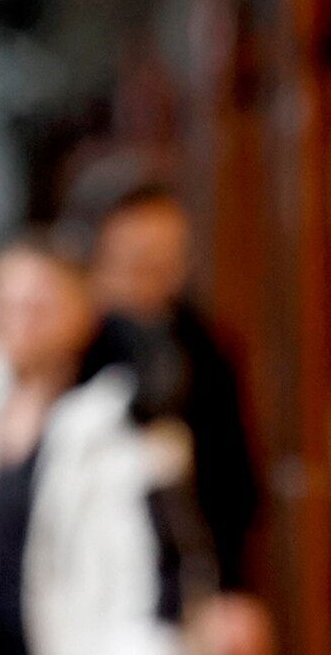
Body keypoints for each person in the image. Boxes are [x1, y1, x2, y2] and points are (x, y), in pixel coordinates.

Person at [0, 232, 247, 655]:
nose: (20, 320)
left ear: (81, 314)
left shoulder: (129, 427)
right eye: (6, 303)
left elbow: (171, 572)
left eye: (39, 305)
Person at [87, 185, 260, 598]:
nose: (155, 271)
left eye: (168, 257)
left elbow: (233, 477)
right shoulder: (80, 345)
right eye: (140, 258)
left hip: (187, 559)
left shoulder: (205, 347)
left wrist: (233, 586)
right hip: (98, 564)